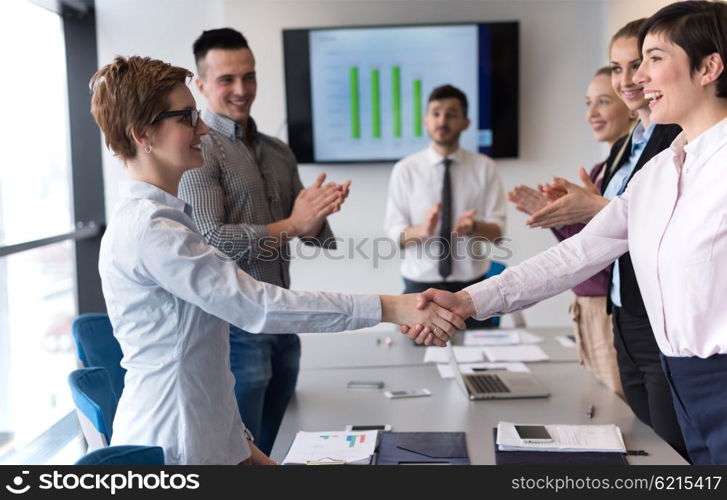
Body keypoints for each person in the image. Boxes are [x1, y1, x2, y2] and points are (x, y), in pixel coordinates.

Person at [90, 55, 464, 465]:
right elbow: (257, 305)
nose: (201, 127)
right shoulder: (152, 232)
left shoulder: (168, 220)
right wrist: (391, 306)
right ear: (143, 133)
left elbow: (204, 363)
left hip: (203, 433)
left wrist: (247, 450)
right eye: (186, 117)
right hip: (174, 446)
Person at [414, 0, 727, 465]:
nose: (637, 79)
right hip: (679, 378)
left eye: (654, 59)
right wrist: (468, 301)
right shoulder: (658, 172)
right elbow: (578, 254)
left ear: (709, 67)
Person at [511, 19, 687, 459]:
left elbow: (659, 223)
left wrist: (593, 209)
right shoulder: (625, 146)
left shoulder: (675, 137)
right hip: (622, 310)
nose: (633, 78)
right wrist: (574, 213)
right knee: (640, 439)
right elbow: (603, 237)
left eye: (644, 63)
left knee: (667, 449)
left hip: (656, 317)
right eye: (619, 67)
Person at [178, 28, 349, 455]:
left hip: (283, 318)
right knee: (239, 450)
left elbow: (304, 230)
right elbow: (210, 238)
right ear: (200, 86)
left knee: (278, 438)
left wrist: (315, 215)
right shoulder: (198, 150)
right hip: (235, 326)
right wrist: (293, 224)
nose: (242, 90)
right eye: (227, 80)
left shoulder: (278, 151)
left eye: (249, 77)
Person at [508, 66, 635, 397]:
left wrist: (578, 215)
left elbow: (611, 247)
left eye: (604, 102)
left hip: (607, 307)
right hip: (586, 307)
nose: (591, 113)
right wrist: (559, 218)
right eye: (588, 102)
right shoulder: (601, 168)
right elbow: (586, 244)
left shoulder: (630, 169)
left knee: (618, 408)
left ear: (630, 104)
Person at [383, 84, 506, 329]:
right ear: (425, 121)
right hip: (420, 290)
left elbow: (498, 233)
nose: (442, 120)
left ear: (465, 122)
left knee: (477, 362)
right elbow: (395, 234)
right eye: (436, 113)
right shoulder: (405, 170)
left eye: (451, 114)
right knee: (418, 364)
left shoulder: (485, 167)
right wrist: (423, 230)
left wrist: (473, 227)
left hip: (473, 289)